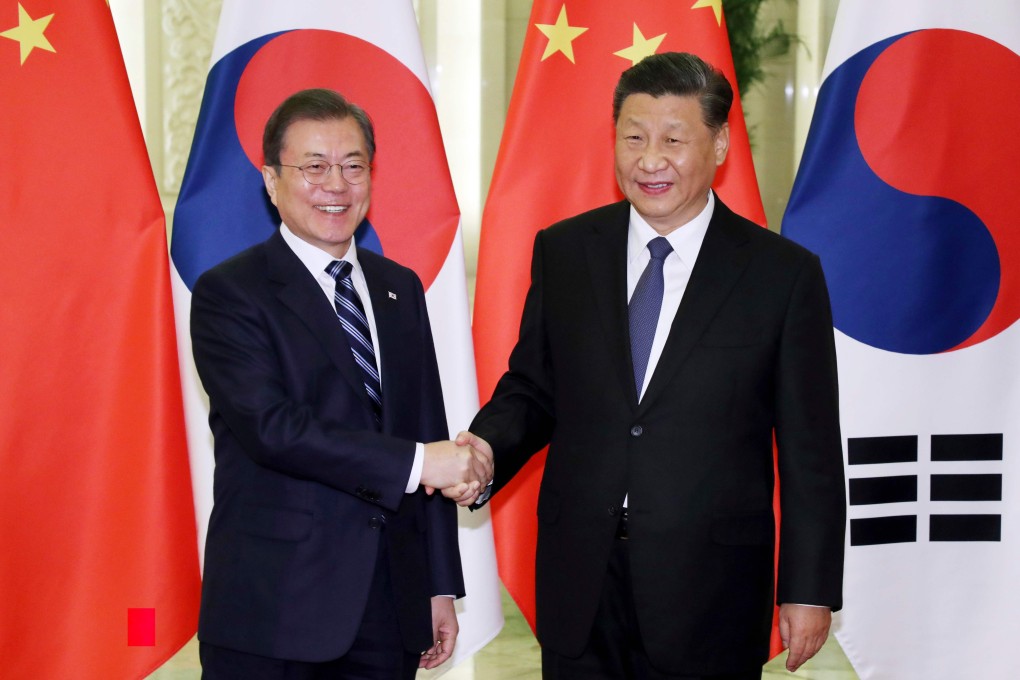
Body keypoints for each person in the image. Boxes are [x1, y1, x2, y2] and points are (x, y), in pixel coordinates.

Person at [459, 52, 846, 679]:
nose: (649, 160)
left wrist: (809, 587)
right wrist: (482, 451)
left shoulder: (782, 275)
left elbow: (811, 450)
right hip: (580, 579)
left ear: (719, 144)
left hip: (711, 590)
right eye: (633, 137)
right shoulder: (565, 251)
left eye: (673, 139)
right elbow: (534, 388)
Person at [190, 88, 491, 679]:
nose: (337, 185)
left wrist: (435, 586)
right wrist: (420, 463)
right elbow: (274, 429)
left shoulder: (398, 286)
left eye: (354, 166)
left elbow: (423, 424)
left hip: (390, 607)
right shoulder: (231, 293)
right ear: (272, 181)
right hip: (277, 608)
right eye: (315, 167)